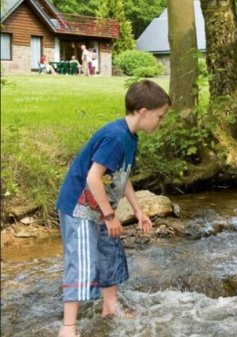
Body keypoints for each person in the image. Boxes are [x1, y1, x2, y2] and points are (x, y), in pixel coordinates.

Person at [55, 80, 171, 337]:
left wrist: (138, 210)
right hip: (79, 207)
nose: (159, 122)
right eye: (159, 117)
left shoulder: (130, 138)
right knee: (81, 261)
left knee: (111, 251)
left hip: (99, 207)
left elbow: (122, 176)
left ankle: (109, 306)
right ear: (143, 112)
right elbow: (93, 178)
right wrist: (109, 215)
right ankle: (69, 327)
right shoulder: (116, 137)